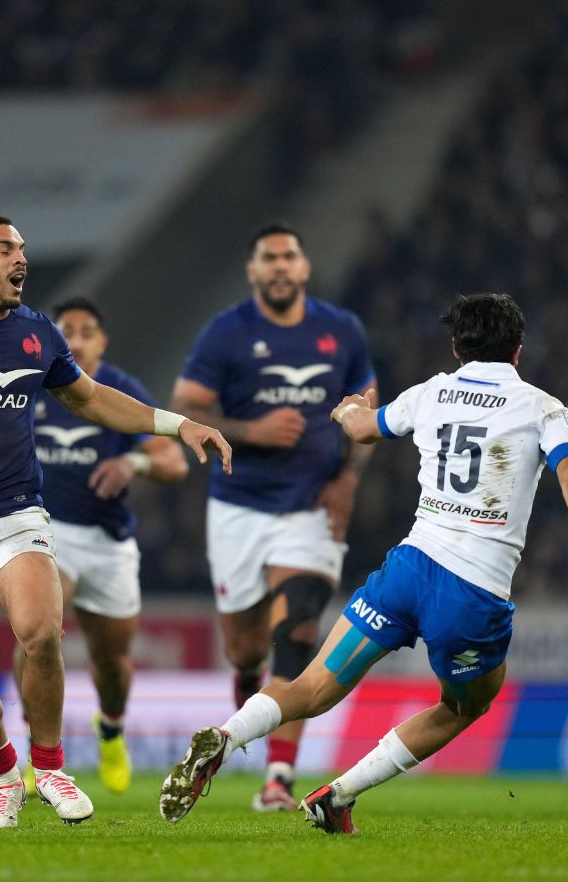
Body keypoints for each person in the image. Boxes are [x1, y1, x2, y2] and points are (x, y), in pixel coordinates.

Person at [158, 293, 568, 834]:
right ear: (519, 351)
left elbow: (365, 428)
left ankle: (226, 737)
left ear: (457, 347)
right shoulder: (542, 407)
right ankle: (338, 794)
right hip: (471, 594)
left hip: (406, 571)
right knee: (462, 709)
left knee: (312, 687)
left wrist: (348, 411)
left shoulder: (432, 391)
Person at [0, 215, 230, 829]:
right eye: (6, 249)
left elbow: (92, 399)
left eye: (23, 249)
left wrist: (177, 424)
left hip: (16, 517)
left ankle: (49, 768)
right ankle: (3, 779)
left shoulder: (36, 332)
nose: (20, 259)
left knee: (41, 634)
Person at [169, 223, 376, 811]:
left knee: (300, 632)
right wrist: (251, 430)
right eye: (269, 259)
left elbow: (367, 410)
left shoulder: (341, 331)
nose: (281, 267)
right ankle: (248, 700)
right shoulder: (226, 332)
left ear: (305, 268)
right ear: (253, 271)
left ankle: (277, 781)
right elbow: (184, 405)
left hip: (310, 510)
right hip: (238, 507)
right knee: (244, 648)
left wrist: (348, 479)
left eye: (290, 257)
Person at [15, 295, 188, 795]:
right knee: (38, 628)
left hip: (108, 542)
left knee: (113, 662)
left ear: (101, 341)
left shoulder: (119, 389)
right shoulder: (28, 390)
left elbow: (173, 463)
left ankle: (110, 729)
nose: (77, 338)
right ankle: (37, 749)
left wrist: (132, 463)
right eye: (67, 329)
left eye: (87, 330)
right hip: (46, 530)